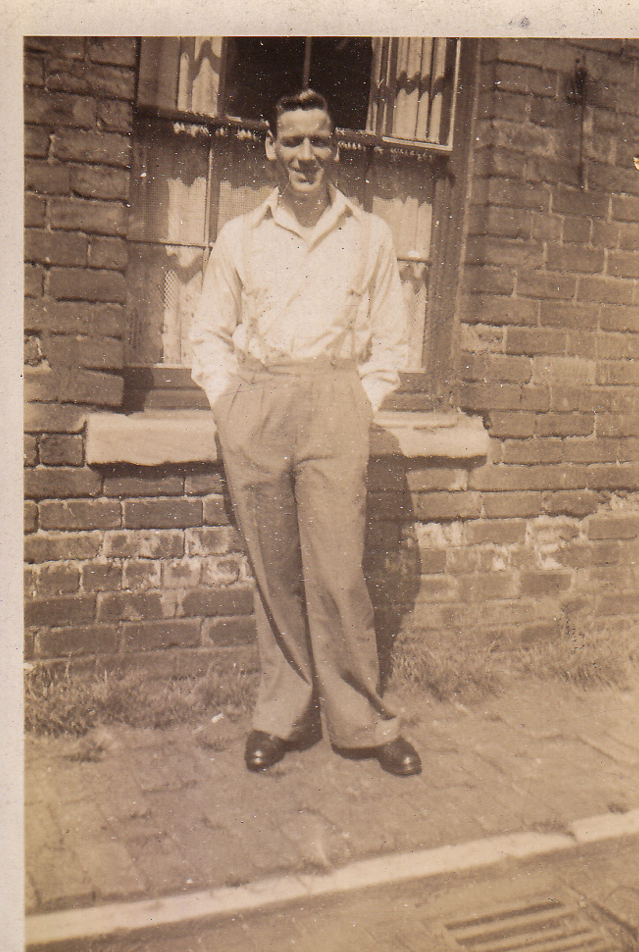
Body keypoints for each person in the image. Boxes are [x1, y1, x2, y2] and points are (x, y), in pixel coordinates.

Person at [190, 88, 421, 777]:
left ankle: (363, 722)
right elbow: (209, 333)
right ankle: (281, 714)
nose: (306, 154)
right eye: (292, 141)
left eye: (318, 140)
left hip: (334, 402)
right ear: (270, 149)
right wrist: (229, 402)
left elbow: (390, 341)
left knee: (340, 570)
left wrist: (359, 404)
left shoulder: (370, 235)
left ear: (336, 148)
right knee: (276, 572)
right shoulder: (240, 236)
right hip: (257, 401)